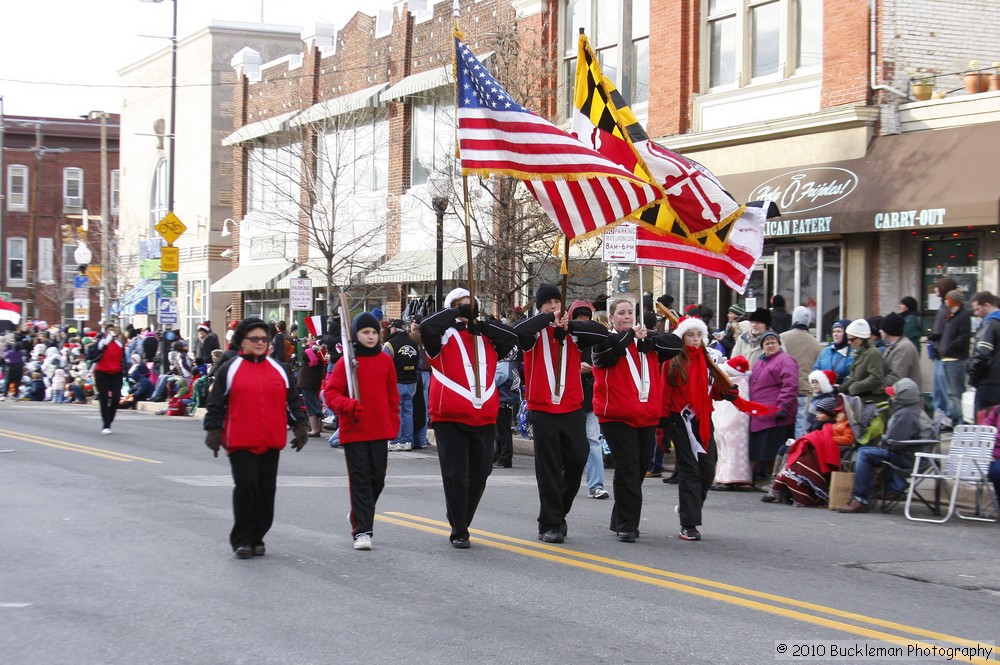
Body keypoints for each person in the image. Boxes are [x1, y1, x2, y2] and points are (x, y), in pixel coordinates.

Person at [203, 316, 309, 558]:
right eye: (255, 339)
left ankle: (258, 535)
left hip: (271, 441)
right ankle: (242, 538)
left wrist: (300, 427)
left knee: (265, 491)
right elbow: (216, 404)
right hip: (240, 441)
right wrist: (213, 430)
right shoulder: (229, 369)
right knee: (246, 487)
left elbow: (292, 402)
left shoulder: (279, 369)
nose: (261, 343)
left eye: (265, 338)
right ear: (242, 341)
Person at [420, 287, 518, 548]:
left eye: (470, 305)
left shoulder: (485, 338)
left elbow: (512, 337)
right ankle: (460, 530)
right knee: (456, 474)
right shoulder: (440, 337)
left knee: (481, 472)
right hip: (450, 416)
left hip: (484, 416)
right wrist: (455, 314)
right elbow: (426, 325)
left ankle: (459, 516)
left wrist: (483, 327)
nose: (466, 310)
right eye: (460, 305)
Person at [514, 284, 608, 543]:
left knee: (578, 458)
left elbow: (603, 333)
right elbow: (517, 331)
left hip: (571, 408)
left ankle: (557, 512)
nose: (555, 306)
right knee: (549, 468)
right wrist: (547, 321)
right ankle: (550, 523)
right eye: (549, 303)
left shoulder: (574, 333)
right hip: (542, 409)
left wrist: (570, 327)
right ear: (540, 307)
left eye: (558, 302)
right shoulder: (533, 333)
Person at [594, 299, 680, 542]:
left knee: (639, 467)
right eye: (621, 313)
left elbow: (676, 345)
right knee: (629, 467)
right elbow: (607, 357)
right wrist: (630, 335)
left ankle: (620, 515)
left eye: (630, 312)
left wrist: (649, 340)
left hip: (646, 416)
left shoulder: (645, 341)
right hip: (616, 417)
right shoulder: (607, 339)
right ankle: (627, 524)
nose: (627, 316)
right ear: (612, 318)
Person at [323, 312, 400, 550]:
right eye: (365, 332)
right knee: (361, 481)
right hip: (355, 429)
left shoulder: (385, 360)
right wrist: (348, 406)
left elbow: (392, 396)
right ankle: (362, 531)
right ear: (356, 334)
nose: (370, 336)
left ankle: (358, 512)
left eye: (374, 332)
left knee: (377, 480)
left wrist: (394, 423)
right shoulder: (347, 362)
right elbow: (330, 393)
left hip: (379, 430)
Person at [662, 314, 730, 540]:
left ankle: (689, 508)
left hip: (703, 419)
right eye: (690, 334)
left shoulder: (709, 360)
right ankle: (689, 523)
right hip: (680, 420)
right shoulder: (673, 361)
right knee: (690, 469)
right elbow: (665, 395)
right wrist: (662, 427)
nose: (695, 339)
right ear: (682, 337)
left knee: (707, 470)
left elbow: (715, 391)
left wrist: (727, 392)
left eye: (699, 334)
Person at [837, 377, 933, 513]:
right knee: (867, 451)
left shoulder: (906, 415)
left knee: (864, 453)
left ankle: (860, 499)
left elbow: (893, 442)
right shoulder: (913, 411)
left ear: (902, 397)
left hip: (910, 461)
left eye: (894, 395)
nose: (891, 397)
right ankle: (876, 492)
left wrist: (881, 440)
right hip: (917, 458)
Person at [762, 396, 853, 507]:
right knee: (784, 449)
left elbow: (847, 439)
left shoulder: (841, 426)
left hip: (824, 449)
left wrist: (828, 439)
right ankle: (777, 482)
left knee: (794, 452)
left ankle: (782, 486)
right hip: (818, 446)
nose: (818, 415)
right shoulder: (827, 425)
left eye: (821, 413)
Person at [748, 331, 799, 489]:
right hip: (760, 413)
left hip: (774, 413)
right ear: (762, 346)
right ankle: (758, 478)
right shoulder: (760, 361)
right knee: (759, 448)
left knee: (771, 449)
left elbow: (790, 385)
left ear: (779, 344)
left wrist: (783, 407)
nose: (770, 345)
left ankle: (772, 480)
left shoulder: (785, 360)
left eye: (773, 342)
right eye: (767, 343)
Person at [569, 300, 609, 500]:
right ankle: (565, 481)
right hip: (568, 399)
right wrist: (575, 368)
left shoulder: (596, 339)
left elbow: (606, 366)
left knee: (594, 440)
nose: (583, 323)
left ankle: (596, 485)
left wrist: (592, 369)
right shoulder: (564, 338)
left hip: (590, 397)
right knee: (568, 444)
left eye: (586, 319)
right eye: (579, 319)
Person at [710, 356, 753, 490]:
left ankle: (735, 477)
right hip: (723, 424)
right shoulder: (729, 384)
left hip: (733, 425)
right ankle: (722, 476)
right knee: (724, 450)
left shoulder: (739, 384)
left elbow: (738, 407)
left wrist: (726, 423)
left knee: (734, 451)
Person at [781, 306, 821, 439]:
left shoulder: (782, 338)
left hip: (783, 390)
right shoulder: (815, 343)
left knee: (782, 428)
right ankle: (799, 456)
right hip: (804, 390)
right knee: (801, 428)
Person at [933, 289, 971, 428]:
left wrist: (948, 346)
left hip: (956, 359)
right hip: (946, 357)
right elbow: (945, 334)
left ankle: (960, 420)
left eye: (949, 300)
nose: (946, 303)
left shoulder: (963, 316)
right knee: (949, 393)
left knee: (956, 392)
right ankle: (954, 418)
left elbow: (964, 336)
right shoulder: (950, 316)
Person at [383, 319, 421, 452]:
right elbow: (419, 363)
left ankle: (394, 440)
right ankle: (406, 441)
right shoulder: (413, 344)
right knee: (408, 413)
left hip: (395, 383)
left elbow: (383, 365)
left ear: (393, 329)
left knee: (395, 412)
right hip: (410, 382)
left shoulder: (390, 344)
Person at [927, 277, 959, 425]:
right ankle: (941, 418)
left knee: (943, 390)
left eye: (937, 287)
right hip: (939, 353)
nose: (934, 290)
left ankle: (946, 419)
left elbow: (947, 331)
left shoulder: (947, 308)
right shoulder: (944, 307)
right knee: (939, 390)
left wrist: (937, 341)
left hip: (942, 355)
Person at [839, 319, 887, 403]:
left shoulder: (873, 353)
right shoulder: (858, 353)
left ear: (861, 338)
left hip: (869, 403)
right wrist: (838, 389)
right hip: (859, 401)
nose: (849, 343)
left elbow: (876, 378)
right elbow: (853, 378)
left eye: (852, 339)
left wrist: (855, 387)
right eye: (848, 340)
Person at [968, 291, 1000, 416]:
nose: (976, 314)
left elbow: (981, 356)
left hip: (988, 383)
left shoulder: (989, 325)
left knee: (984, 427)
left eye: (978, 309)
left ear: (987, 305)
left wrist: (973, 378)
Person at [91, 324, 126, 434]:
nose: (112, 332)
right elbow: (93, 355)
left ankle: (109, 419)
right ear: (105, 332)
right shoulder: (101, 343)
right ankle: (106, 424)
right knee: (104, 398)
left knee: (116, 397)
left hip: (116, 373)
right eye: (109, 330)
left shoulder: (119, 344)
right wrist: (104, 344)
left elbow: (123, 358)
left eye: (113, 330)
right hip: (102, 373)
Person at [492, 343, 520, 469]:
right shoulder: (512, 366)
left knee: (502, 431)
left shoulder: (502, 367)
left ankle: (505, 457)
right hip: (509, 400)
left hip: (502, 400)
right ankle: (499, 454)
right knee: (503, 430)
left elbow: (493, 382)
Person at [880, 311, 922, 392]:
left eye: (882, 328)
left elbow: (896, 378)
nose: (880, 331)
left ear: (889, 330)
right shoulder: (894, 346)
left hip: (905, 401)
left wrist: (872, 388)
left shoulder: (904, 348)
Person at [298, 339, 328, 437]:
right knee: (315, 402)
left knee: (310, 405)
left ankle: (314, 429)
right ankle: (317, 428)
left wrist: (305, 347)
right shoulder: (321, 353)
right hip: (315, 380)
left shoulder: (309, 351)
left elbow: (308, 358)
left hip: (306, 381)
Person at [813, 319, 853, 384]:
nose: (835, 334)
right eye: (834, 331)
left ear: (846, 334)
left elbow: (854, 377)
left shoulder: (852, 353)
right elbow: (816, 371)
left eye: (839, 331)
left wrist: (842, 381)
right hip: (825, 391)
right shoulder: (825, 351)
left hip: (842, 392)